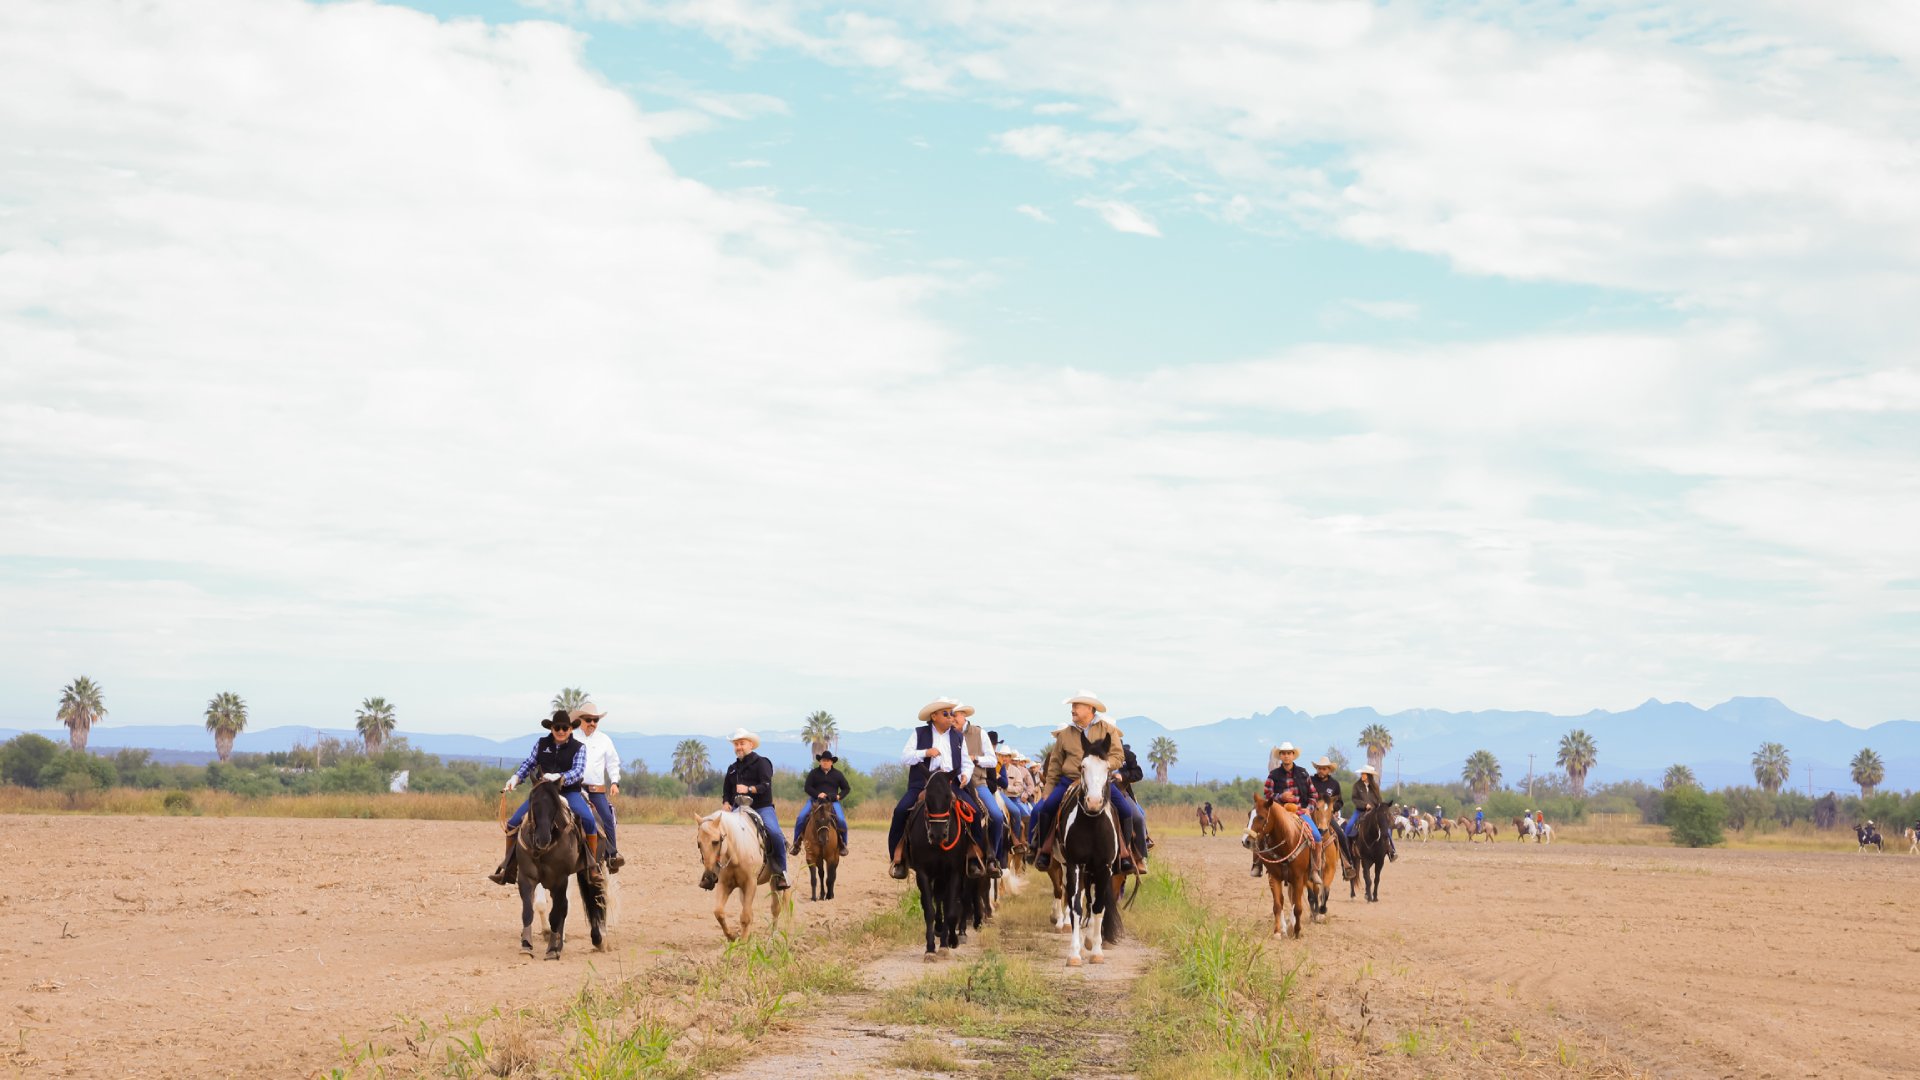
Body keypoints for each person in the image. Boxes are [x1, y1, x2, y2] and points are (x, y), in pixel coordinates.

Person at [1029, 692, 1145, 875]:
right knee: (1047, 807)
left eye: (1077, 706)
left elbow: (1118, 755)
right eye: (1072, 706)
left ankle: (1126, 853)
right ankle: (1044, 851)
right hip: (1069, 780)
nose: (1072, 709)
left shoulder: (1107, 729)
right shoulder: (1065, 734)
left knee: (1125, 809)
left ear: (1090, 708)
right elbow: (1055, 764)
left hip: (1100, 781)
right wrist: (1048, 790)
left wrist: (1105, 765)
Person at [489, 709, 601, 886]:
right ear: (552, 728)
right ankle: (509, 868)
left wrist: (559, 777)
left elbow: (578, 771)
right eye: (557, 727)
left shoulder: (579, 748)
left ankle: (592, 866)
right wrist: (516, 778)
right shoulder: (541, 744)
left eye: (565, 728)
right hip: (543, 794)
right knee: (513, 823)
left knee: (588, 820)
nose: (561, 731)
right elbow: (529, 763)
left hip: (568, 791)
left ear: (571, 729)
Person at [888, 698, 985, 880]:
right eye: (946, 714)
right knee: (900, 811)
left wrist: (965, 775)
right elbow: (905, 757)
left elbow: (966, 762)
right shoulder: (919, 733)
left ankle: (975, 857)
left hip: (951, 784)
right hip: (922, 784)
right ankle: (897, 859)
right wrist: (925, 752)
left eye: (952, 714)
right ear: (934, 716)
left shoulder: (958, 737)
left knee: (977, 813)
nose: (951, 717)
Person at [712, 728, 789, 891]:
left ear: (751, 745)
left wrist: (748, 789)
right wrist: (726, 802)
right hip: (738, 809)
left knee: (774, 833)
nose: (738, 747)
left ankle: (781, 873)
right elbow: (727, 791)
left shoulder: (763, 763)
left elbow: (765, 785)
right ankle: (714, 871)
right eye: (736, 744)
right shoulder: (732, 768)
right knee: (720, 834)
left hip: (762, 807)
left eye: (742, 743)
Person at [1253, 742, 1321, 880]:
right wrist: (1280, 796)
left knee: (1317, 837)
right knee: (1259, 833)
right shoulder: (1273, 775)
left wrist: (1309, 809)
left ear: (1293, 755)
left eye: (1289, 753)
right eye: (1283, 753)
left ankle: (1314, 870)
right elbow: (1267, 794)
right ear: (1280, 756)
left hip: (1300, 812)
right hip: (1279, 812)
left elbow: (1313, 795)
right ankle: (1257, 864)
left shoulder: (1303, 773)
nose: (1286, 756)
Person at [952, 705, 1005, 878]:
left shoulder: (979, 733)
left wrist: (976, 759)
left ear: (964, 715)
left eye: (955, 716)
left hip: (977, 783)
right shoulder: (948, 734)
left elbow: (992, 760)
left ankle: (992, 858)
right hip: (954, 783)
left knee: (997, 816)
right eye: (950, 716)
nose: (952, 719)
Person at [571, 702, 624, 873]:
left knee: (607, 818)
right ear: (580, 720)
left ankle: (612, 855)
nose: (592, 723)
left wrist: (614, 782)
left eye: (595, 720)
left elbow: (613, 762)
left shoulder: (604, 740)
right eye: (589, 719)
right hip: (573, 789)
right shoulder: (571, 737)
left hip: (595, 790)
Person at [790, 750, 850, 857]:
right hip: (814, 801)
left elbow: (846, 788)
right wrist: (817, 794)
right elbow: (807, 787)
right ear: (820, 762)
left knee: (841, 820)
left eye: (827, 761)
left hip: (832, 802)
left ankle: (843, 845)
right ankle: (796, 843)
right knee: (801, 817)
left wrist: (839, 796)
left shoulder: (838, 774)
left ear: (832, 762)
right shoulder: (813, 773)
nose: (825, 762)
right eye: (823, 760)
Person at [1343, 765, 1396, 860]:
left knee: (1386, 828)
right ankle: (1346, 850)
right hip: (1359, 811)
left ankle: (1391, 850)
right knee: (1349, 826)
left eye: (1364, 773)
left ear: (1368, 775)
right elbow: (1355, 799)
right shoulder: (1357, 786)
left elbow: (1379, 800)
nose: (1362, 775)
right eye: (1362, 773)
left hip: (1374, 812)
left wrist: (1376, 807)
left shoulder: (1375, 787)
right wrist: (1365, 805)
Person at [1308, 755, 1351, 865]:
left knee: (1341, 835)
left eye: (1324, 768)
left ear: (1329, 770)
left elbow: (1340, 801)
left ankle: (1348, 863)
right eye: (1319, 768)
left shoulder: (1334, 784)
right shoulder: (1310, 781)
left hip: (1327, 816)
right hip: (1310, 815)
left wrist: (1332, 809)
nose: (1321, 771)